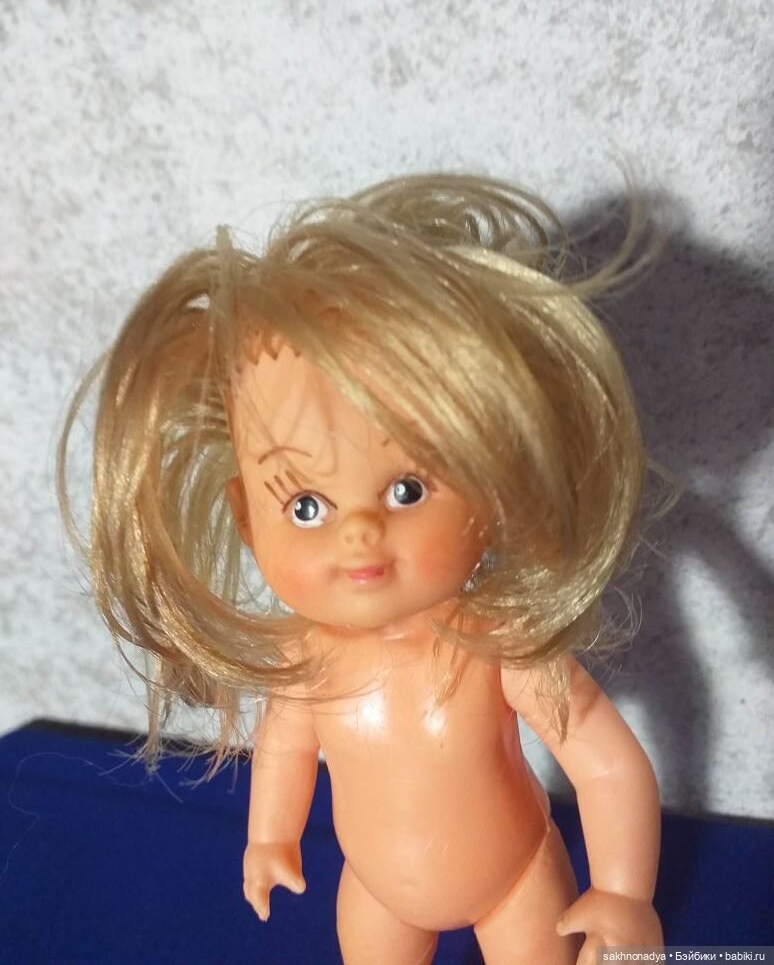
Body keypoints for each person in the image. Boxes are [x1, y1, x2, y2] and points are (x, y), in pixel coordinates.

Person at [59, 173, 667, 963]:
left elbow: (607, 764)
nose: (358, 535)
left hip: (515, 878)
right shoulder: (308, 663)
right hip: (377, 889)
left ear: (492, 483)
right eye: (305, 504)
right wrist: (270, 837)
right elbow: (284, 749)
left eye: (407, 489)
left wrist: (623, 891)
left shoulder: (503, 645)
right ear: (247, 517)